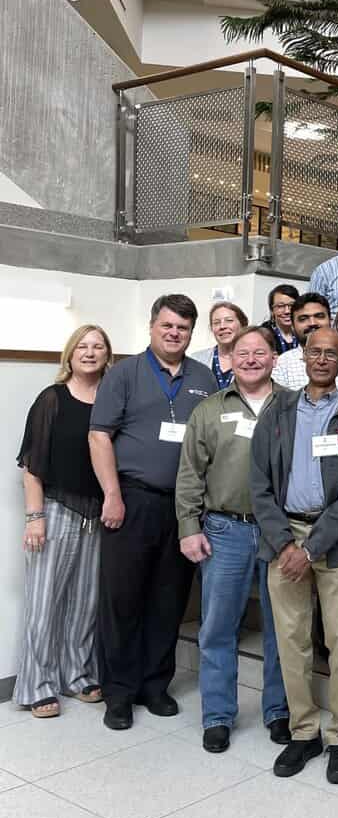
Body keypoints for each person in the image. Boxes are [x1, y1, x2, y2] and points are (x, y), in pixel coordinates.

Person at [250, 327, 338, 783]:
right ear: (303, 356)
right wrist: (286, 543)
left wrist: (312, 546)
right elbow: (259, 482)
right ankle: (305, 733)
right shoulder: (277, 410)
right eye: (314, 351)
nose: (322, 359)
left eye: (331, 353)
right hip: (283, 539)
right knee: (292, 643)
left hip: (335, 543)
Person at [89, 295, 216, 730]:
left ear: (191, 332)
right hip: (132, 499)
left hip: (183, 507)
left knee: (169, 598)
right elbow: (100, 436)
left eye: (182, 327)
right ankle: (119, 693)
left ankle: (154, 685)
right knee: (122, 598)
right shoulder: (124, 373)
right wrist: (112, 494)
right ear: (151, 326)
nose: (174, 333)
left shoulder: (204, 378)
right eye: (167, 326)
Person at [175, 326, 290, 752]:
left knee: (283, 628)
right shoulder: (209, 409)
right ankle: (218, 715)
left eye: (261, 352)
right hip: (224, 530)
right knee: (218, 627)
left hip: (281, 532)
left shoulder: (293, 406)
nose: (252, 359)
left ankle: (279, 710)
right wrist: (189, 527)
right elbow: (189, 473)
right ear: (230, 359)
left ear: (275, 358)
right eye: (243, 353)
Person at [14, 325, 112, 718]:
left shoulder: (112, 399)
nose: (90, 352)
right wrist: (35, 518)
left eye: (98, 346)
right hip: (55, 511)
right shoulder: (52, 399)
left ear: (108, 355)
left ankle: (77, 675)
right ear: (69, 355)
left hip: (99, 514)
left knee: (86, 603)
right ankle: (36, 685)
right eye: (82, 346)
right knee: (43, 603)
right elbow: (31, 467)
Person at [272, 292, 332, 391]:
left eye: (319, 316)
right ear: (292, 326)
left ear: (331, 320)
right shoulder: (283, 363)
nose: (312, 323)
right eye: (303, 319)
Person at [189, 301, 248, 389]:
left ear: (243, 325)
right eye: (216, 323)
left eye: (229, 320)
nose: (222, 326)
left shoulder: (255, 360)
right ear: (211, 328)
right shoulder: (196, 360)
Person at [262, 284, 301, 354]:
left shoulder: (305, 332)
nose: (287, 311)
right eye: (280, 306)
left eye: (292, 305)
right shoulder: (263, 334)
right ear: (272, 310)